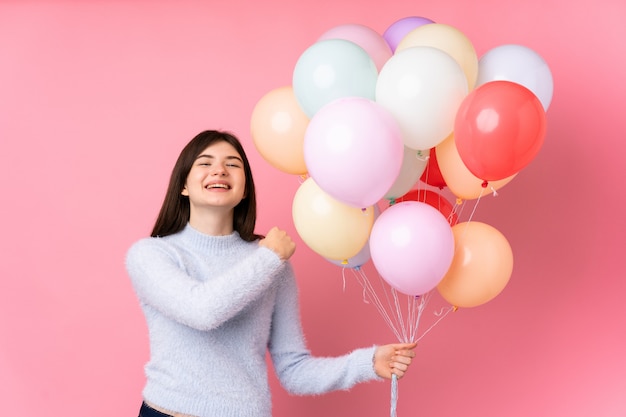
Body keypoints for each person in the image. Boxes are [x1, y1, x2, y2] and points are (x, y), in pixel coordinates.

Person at [126, 130, 417, 417]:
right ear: (184, 186)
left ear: (244, 190)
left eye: (232, 164)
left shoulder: (272, 263)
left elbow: (294, 370)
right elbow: (202, 311)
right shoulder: (152, 255)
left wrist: (367, 363)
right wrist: (268, 258)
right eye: (205, 163)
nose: (219, 170)